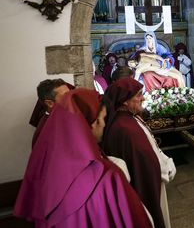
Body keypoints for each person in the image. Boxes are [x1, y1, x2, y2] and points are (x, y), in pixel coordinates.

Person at [15, 89, 153, 228]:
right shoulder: (106, 177)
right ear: (90, 125)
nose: (104, 125)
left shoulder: (46, 169)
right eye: (102, 119)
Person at [102, 78, 176, 228]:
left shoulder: (130, 118)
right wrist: (166, 168)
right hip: (148, 183)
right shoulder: (125, 128)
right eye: (138, 95)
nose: (143, 98)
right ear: (124, 101)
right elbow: (145, 160)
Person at [31, 79, 70, 147]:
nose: (71, 98)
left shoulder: (63, 117)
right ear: (49, 103)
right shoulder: (44, 133)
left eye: (70, 93)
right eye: (66, 96)